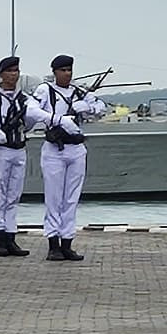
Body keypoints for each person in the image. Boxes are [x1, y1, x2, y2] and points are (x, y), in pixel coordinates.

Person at [29, 57, 106, 261]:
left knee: (71, 199)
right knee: (54, 198)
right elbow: (31, 110)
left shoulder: (79, 92)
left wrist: (87, 107)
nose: (67, 74)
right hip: (55, 149)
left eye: (69, 70)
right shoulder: (46, 90)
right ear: (54, 72)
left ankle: (67, 242)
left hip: (76, 148)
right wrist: (56, 119)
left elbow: (101, 108)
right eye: (63, 70)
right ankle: (53, 244)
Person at [0, 57, 33, 259]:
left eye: (16, 70)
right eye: (10, 71)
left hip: (19, 148)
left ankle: (11, 235)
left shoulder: (23, 98)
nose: (14, 75)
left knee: (14, 194)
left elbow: (28, 121)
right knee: (0, 193)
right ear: (1, 74)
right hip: (2, 150)